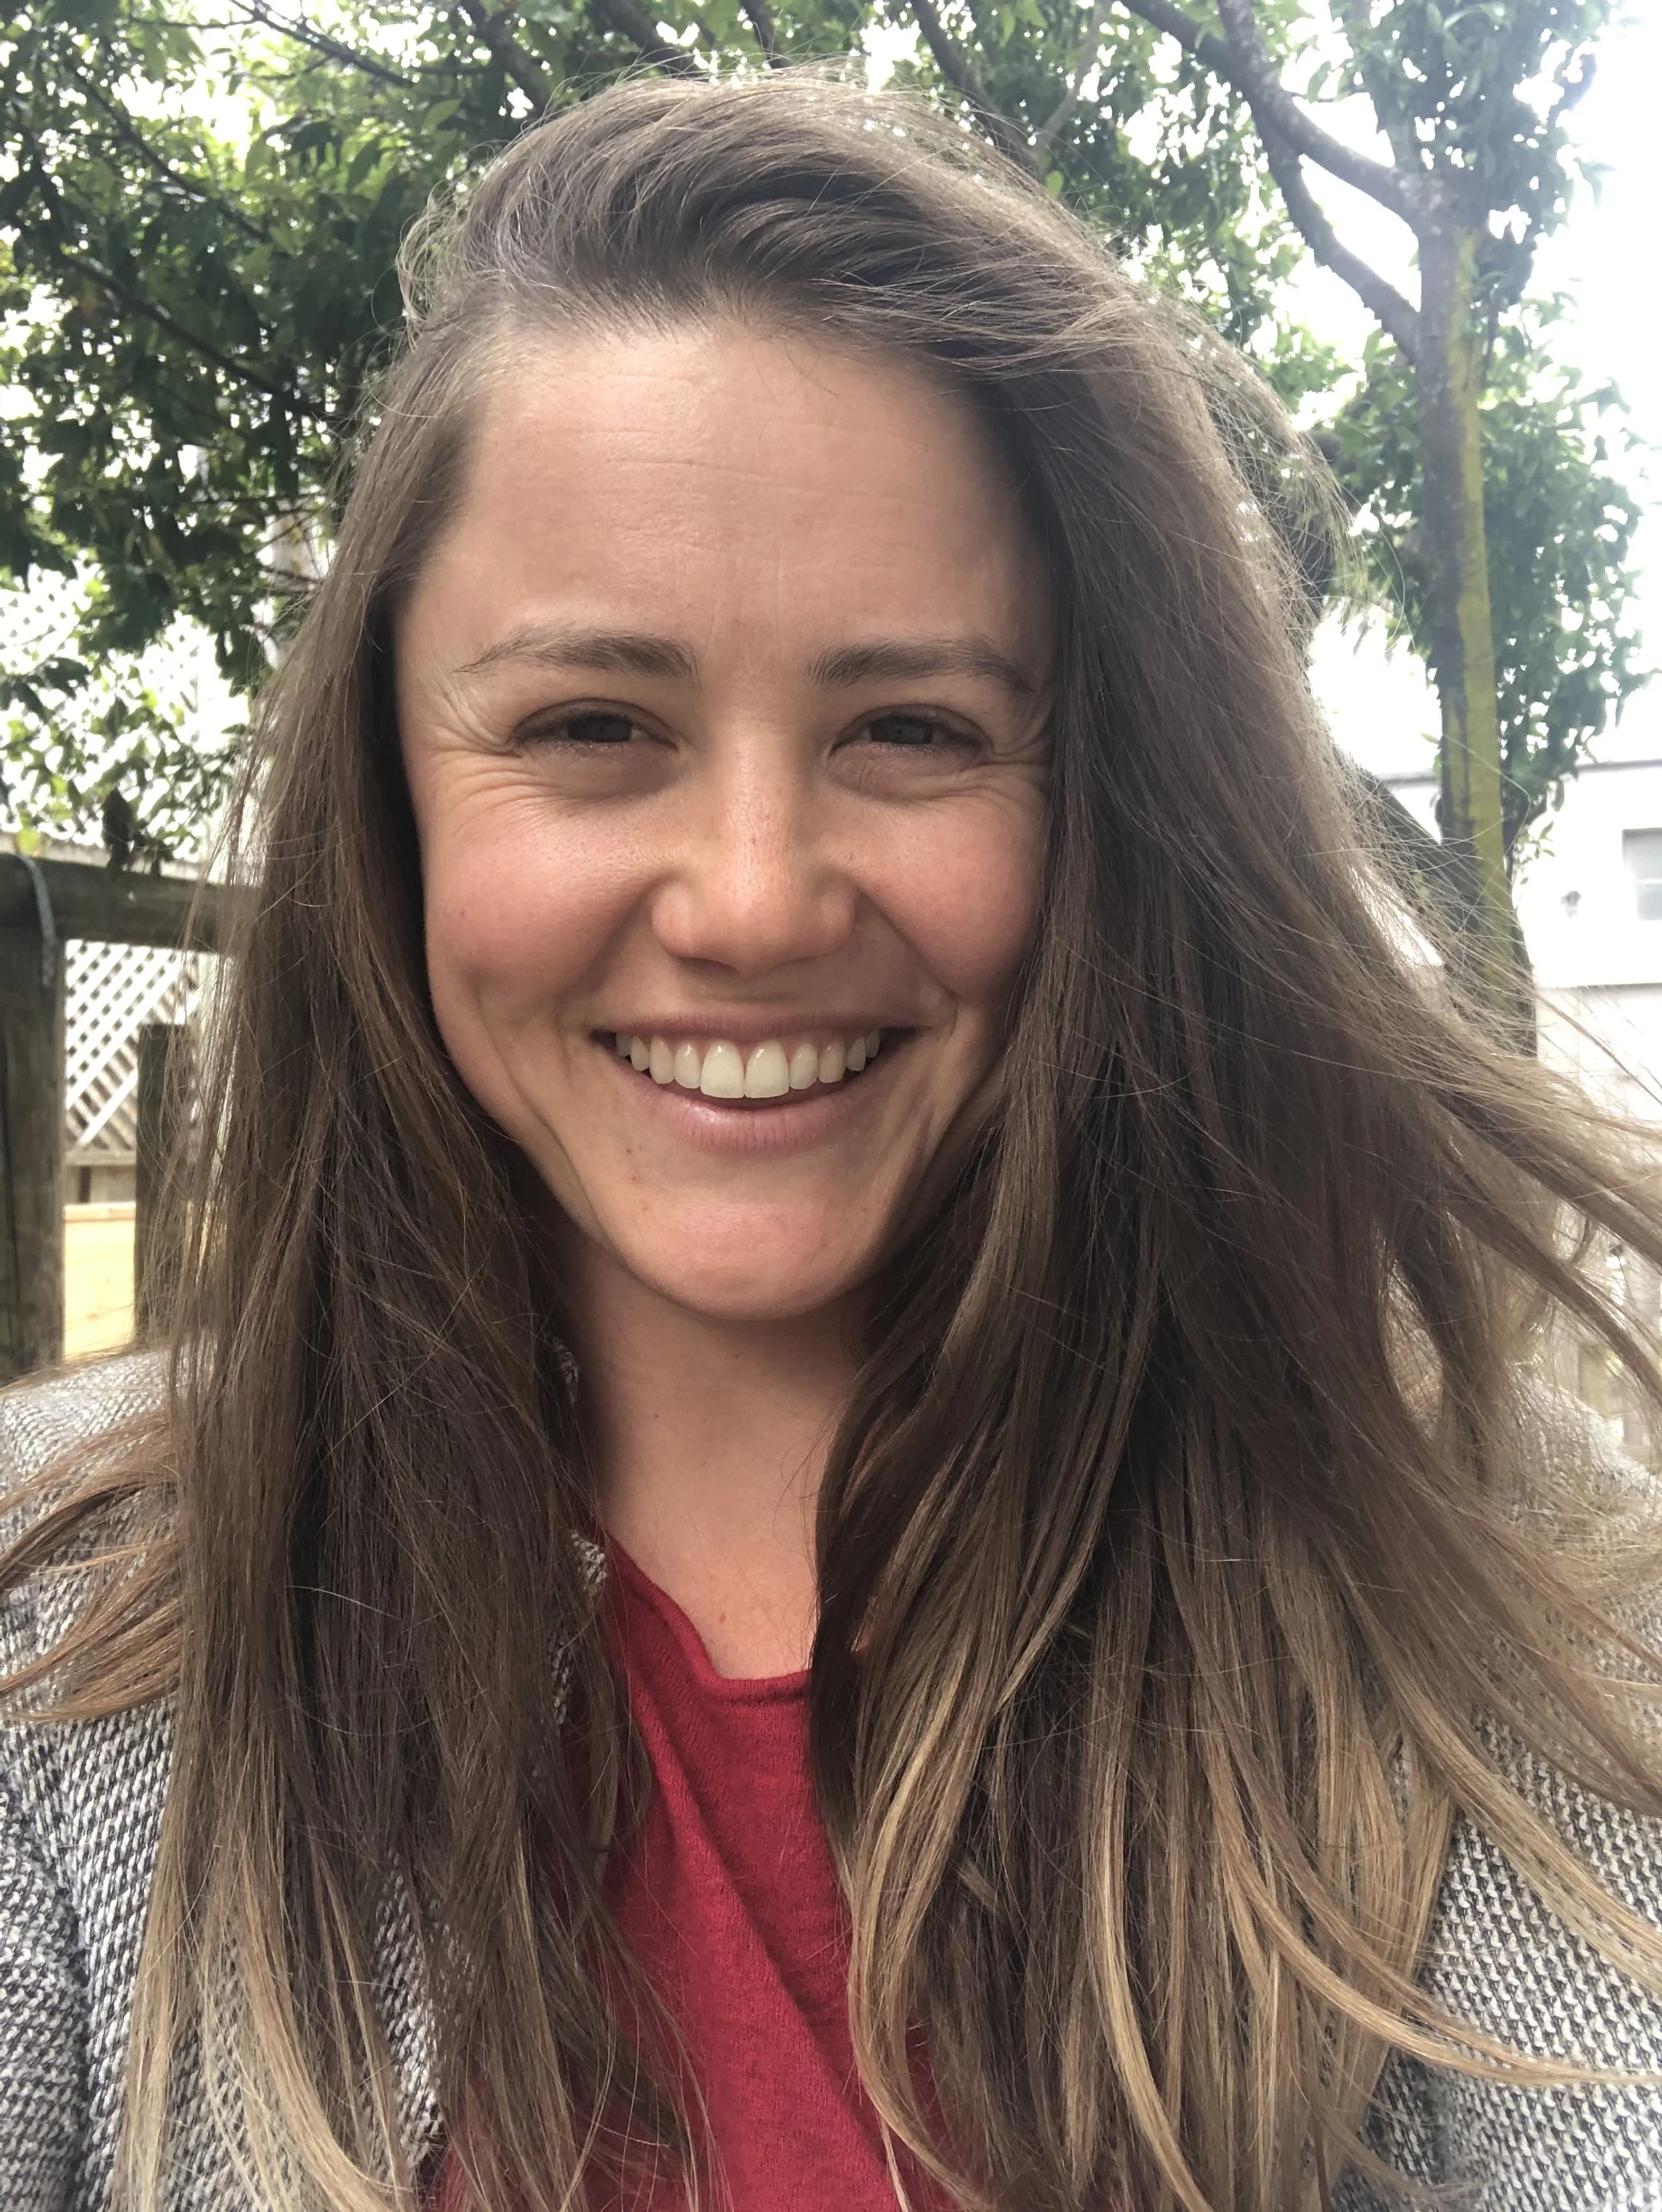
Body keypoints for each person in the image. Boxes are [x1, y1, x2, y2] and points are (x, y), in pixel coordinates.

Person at [5, 68, 1662, 2212]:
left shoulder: (1495, 1599)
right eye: (593, 727)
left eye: (911, 730)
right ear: (390, 798)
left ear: (1107, 816)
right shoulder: (61, 1640)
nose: (758, 896)